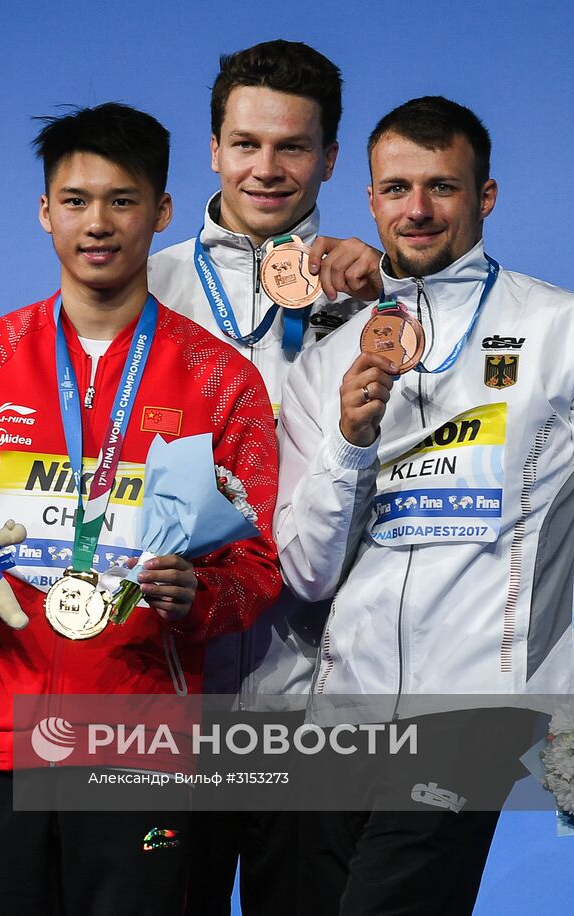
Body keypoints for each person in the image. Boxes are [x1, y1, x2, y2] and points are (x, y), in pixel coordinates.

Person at [276, 95, 574, 913]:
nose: (418, 209)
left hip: (479, 703)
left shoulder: (569, 329)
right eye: (397, 188)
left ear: (486, 196)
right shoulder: (329, 357)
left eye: (442, 186)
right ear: (369, 200)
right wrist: (349, 443)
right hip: (339, 712)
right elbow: (306, 570)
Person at [0, 102, 281, 916]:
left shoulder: (222, 382)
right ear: (45, 212)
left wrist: (200, 598)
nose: (97, 223)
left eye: (122, 200)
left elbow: (257, 567)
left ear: (162, 211)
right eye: (74, 201)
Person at [146, 40, 376, 914]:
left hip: (319, 701)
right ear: (211, 147)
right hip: (172, 693)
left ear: (330, 157)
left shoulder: (373, 297)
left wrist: (380, 285)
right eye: (246, 144)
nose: (267, 169)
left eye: (293, 147)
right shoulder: (146, 285)